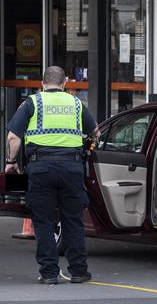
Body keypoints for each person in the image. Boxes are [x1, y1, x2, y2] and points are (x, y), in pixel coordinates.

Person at [5, 66, 100, 285]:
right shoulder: (76, 104)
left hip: (40, 170)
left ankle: (49, 274)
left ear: (42, 83)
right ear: (65, 82)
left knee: (43, 223)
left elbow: (13, 137)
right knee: (73, 222)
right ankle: (79, 271)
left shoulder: (32, 102)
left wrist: (11, 163)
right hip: (72, 169)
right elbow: (95, 131)